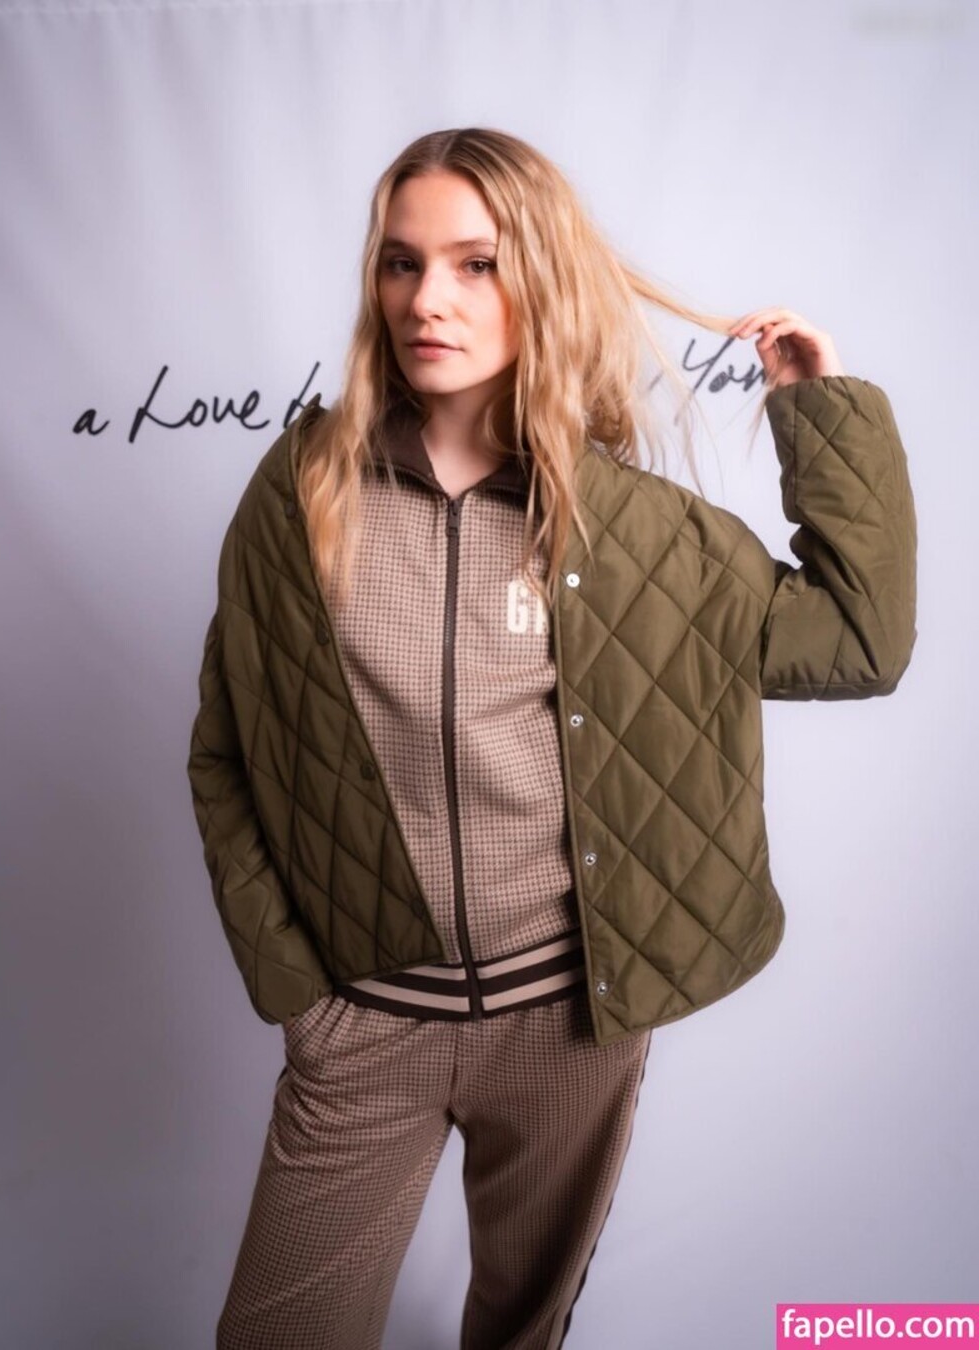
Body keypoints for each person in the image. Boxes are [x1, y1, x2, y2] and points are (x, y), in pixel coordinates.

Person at [186, 127, 917, 1350]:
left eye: (476, 264)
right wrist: (299, 990)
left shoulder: (634, 529)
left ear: (544, 277)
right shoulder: (302, 491)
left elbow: (857, 641)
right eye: (403, 262)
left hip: (569, 1027)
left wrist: (816, 414)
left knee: (521, 1330)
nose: (428, 299)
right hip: (365, 1020)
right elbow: (227, 749)